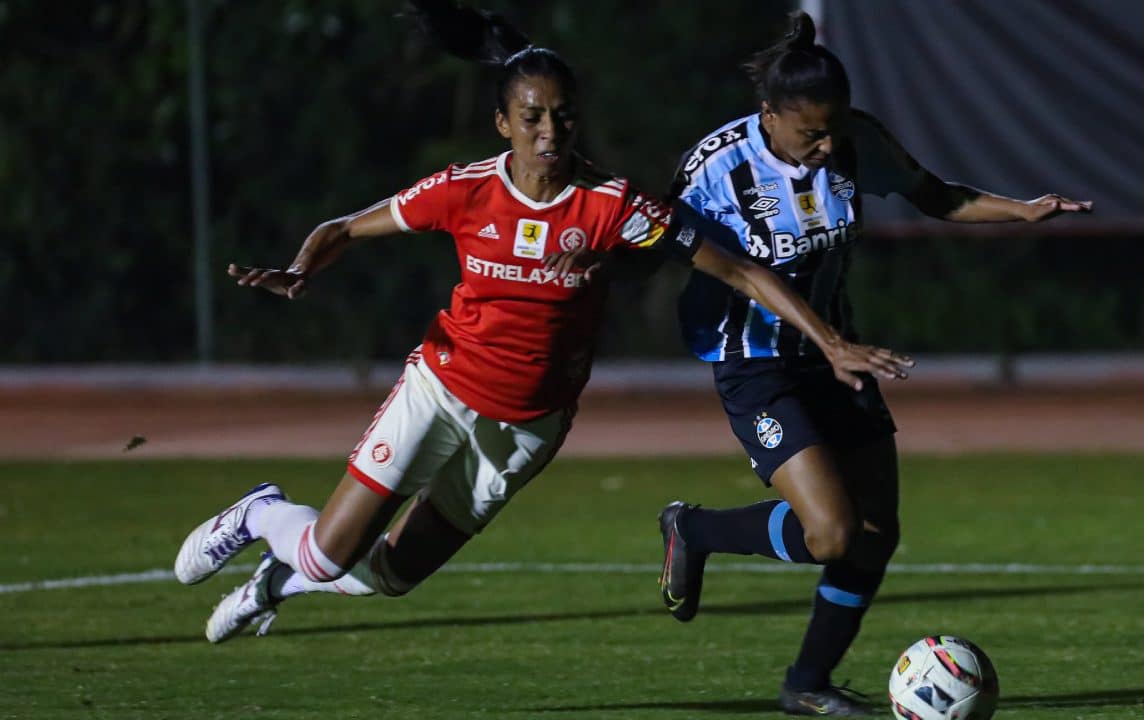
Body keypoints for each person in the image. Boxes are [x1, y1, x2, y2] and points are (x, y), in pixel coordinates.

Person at [173, 0, 916, 646]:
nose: (549, 132)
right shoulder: (463, 192)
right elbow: (344, 227)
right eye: (531, 118)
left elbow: (740, 269)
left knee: (391, 578)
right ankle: (263, 514)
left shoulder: (615, 205)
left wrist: (829, 340)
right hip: (440, 391)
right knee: (329, 556)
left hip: (529, 428)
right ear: (504, 123)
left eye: (562, 117)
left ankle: (271, 586)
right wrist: (303, 268)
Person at [656, 11, 1092, 718]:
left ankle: (807, 684)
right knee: (830, 533)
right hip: (755, 360)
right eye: (811, 132)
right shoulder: (715, 168)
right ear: (768, 114)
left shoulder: (856, 140)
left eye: (834, 127)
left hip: (839, 354)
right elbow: (655, 240)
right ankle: (696, 530)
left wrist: (1022, 210)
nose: (828, 144)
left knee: (878, 531)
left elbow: (936, 195)